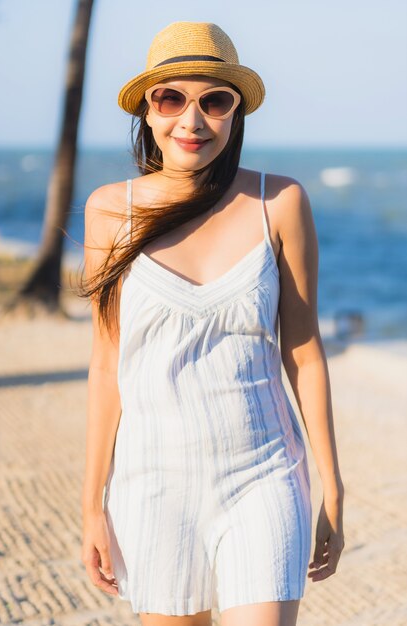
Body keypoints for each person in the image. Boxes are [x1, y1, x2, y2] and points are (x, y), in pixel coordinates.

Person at [80, 21, 345, 626]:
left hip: (265, 476)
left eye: (214, 101)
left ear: (236, 114)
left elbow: (303, 354)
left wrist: (333, 485)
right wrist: (91, 505)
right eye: (171, 98)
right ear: (148, 112)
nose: (192, 120)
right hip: (153, 487)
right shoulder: (108, 211)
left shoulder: (279, 204)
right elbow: (105, 367)